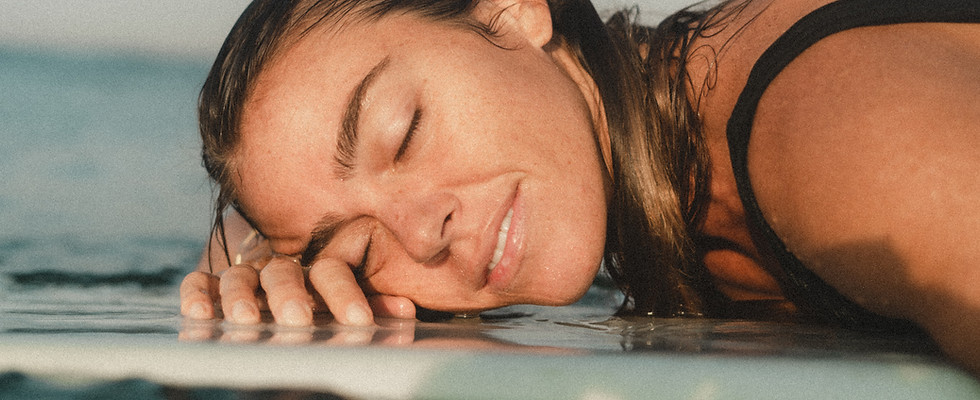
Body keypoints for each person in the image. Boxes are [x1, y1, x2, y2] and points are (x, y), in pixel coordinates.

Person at [179, 0, 980, 374]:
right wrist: (264, 263)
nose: (421, 233)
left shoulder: (818, 125)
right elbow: (247, 223)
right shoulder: (675, 172)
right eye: (360, 248)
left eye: (405, 133)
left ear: (514, 12)